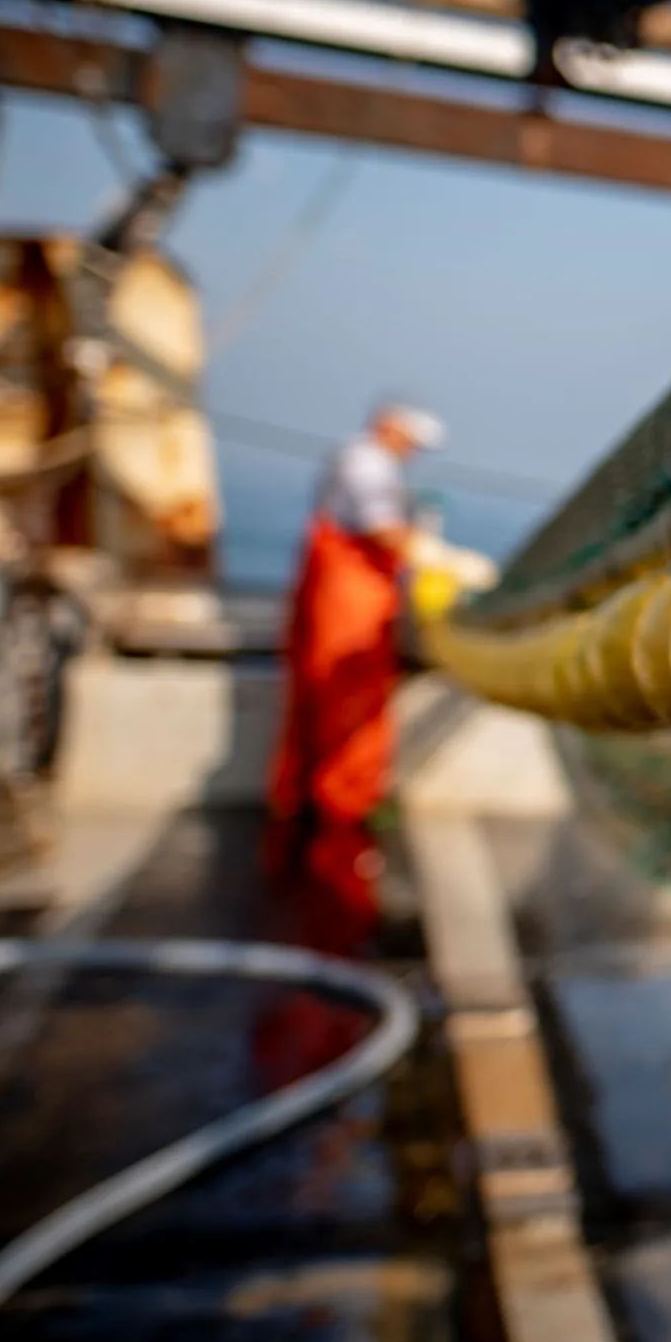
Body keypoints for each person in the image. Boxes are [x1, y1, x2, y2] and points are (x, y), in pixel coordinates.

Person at [264, 400, 442, 943]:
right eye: (410, 440)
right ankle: (338, 823)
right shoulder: (367, 464)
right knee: (345, 699)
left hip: (345, 597)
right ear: (389, 426)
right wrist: (434, 553)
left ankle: (309, 815)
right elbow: (381, 527)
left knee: (324, 699)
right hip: (348, 603)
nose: (412, 452)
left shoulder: (362, 461)